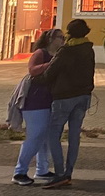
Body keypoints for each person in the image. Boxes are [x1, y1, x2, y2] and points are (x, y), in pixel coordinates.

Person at [41, 19, 95, 189]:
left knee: (53, 134)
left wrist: (36, 79)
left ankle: (59, 173)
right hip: (83, 96)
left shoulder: (66, 51)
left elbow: (49, 74)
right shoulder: (89, 49)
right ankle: (68, 172)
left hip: (64, 97)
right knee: (74, 136)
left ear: (70, 32)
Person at [10, 28, 64, 185]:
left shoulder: (59, 55)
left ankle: (42, 169)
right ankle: (19, 172)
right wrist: (51, 65)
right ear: (51, 39)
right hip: (35, 100)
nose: (63, 40)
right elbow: (32, 70)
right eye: (60, 37)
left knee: (46, 137)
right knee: (35, 136)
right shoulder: (41, 53)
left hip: (50, 100)